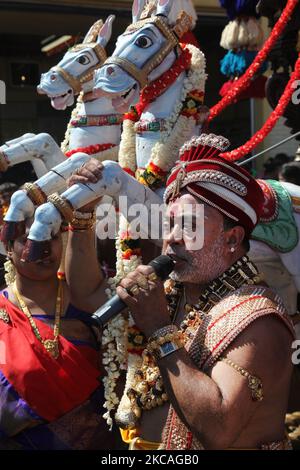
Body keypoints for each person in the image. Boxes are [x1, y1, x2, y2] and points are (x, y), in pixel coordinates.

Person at [66, 134, 295, 450]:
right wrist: (82, 214)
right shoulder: (173, 293)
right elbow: (86, 293)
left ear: (232, 238)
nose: (171, 238)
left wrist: (159, 328)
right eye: (169, 224)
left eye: (188, 225)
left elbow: (218, 429)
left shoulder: (258, 320)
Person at [0, 218, 122, 450]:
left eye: (52, 237)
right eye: (28, 240)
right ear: (8, 248)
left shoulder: (90, 304)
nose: (43, 248)